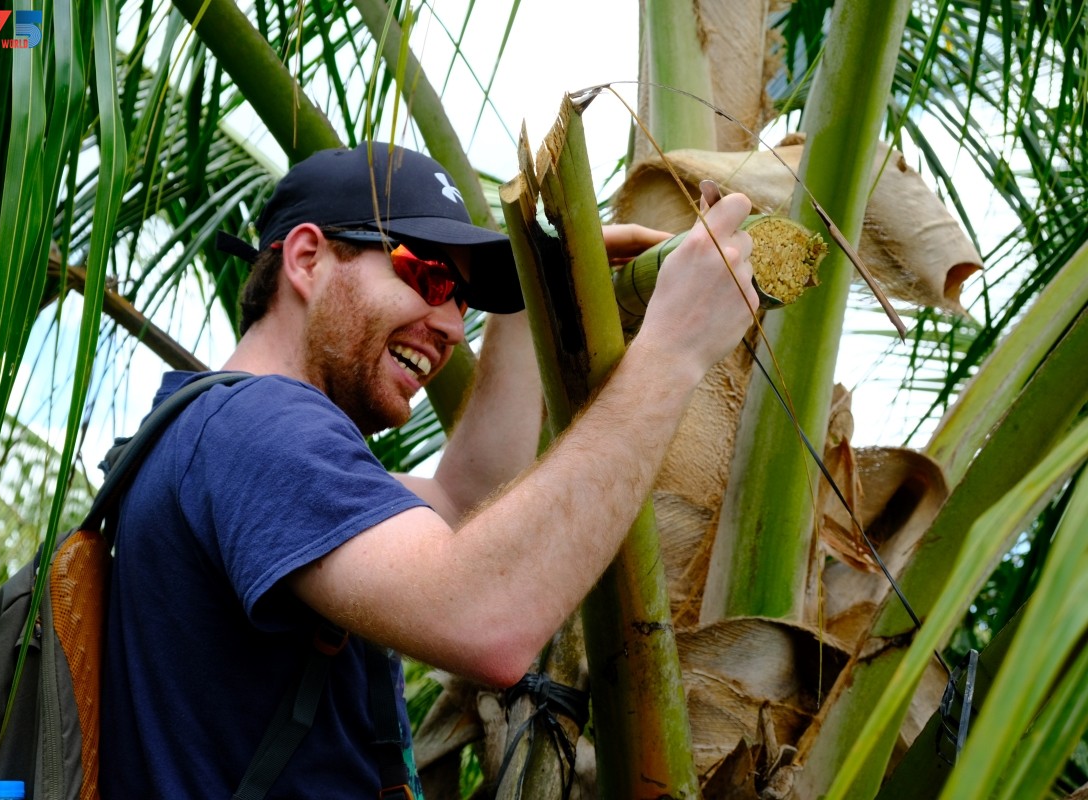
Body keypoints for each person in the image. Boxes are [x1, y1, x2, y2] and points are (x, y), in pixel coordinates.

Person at [100, 141, 757, 798]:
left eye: (465, 298)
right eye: (428, 276)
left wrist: (535, 301)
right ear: (306, 259)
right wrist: (673, 349)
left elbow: (465, 502)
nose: (449, 325)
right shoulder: (263, 425)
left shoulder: (211, 433)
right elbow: (486, 615)